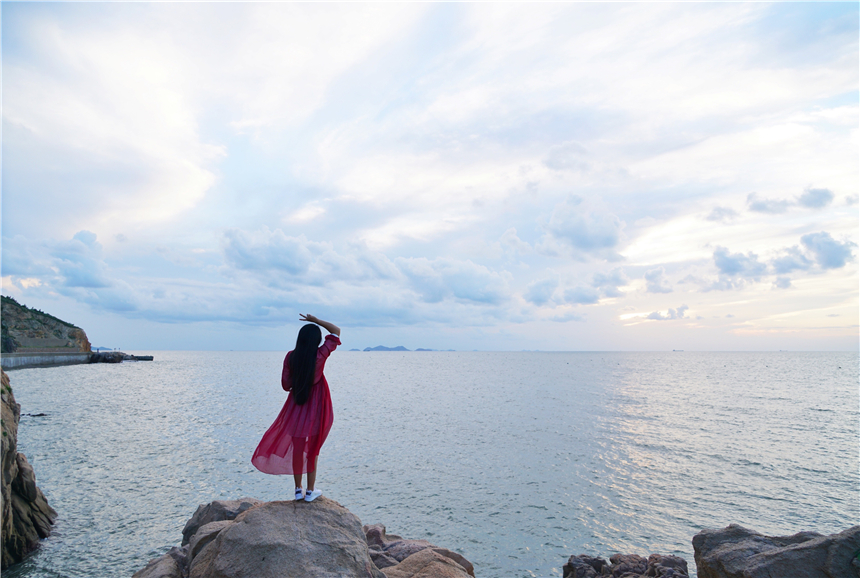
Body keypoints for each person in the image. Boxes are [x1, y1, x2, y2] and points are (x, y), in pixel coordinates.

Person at [251, 314, 341, 502]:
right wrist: (317, 321)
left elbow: (286, 385)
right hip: (317, 407)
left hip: (297, 407)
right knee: (313, 449)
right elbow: (336, 331)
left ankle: (297, 490)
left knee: (298, 448)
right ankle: (310, 491)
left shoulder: (291, 357)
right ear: (316, 340)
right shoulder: (319, 355)